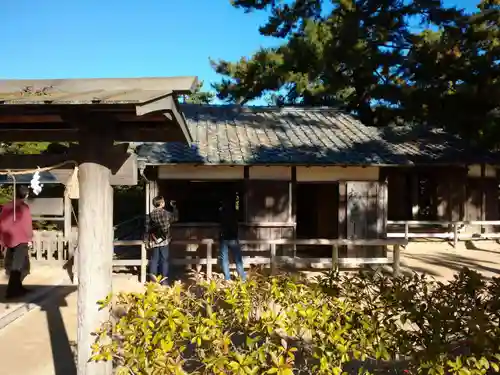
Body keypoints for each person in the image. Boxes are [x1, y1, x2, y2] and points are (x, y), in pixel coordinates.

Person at [0, 185, 33, 299]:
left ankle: (18, 288)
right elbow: (27, 224)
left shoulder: (7, 206)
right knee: (17, 266)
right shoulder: (24, 207)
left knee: (17, 264)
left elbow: (2, 223)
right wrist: (30, 238)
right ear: (26, 195)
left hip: (9, 238)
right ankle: (11, 291)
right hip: (21, 239)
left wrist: (2, 239)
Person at [144, 195, 178, 285]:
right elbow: (175, 218)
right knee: (164, 260)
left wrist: (146, 240)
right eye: (163, 201)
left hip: (154, 240)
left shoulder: (150, 215)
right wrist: (174, 208)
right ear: (161, 203)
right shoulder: (166, 213)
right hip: (164, 240)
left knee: (154, 260)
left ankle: (153, 281)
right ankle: (164, 281)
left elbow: (147, 229)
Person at [219, 194, 246, 281]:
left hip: (224, 237)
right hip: (233, 237)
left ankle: (227, 278)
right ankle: (242, 278)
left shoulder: (222, 212)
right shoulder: (234, 212)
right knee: (238, 259)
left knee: (224, 259)